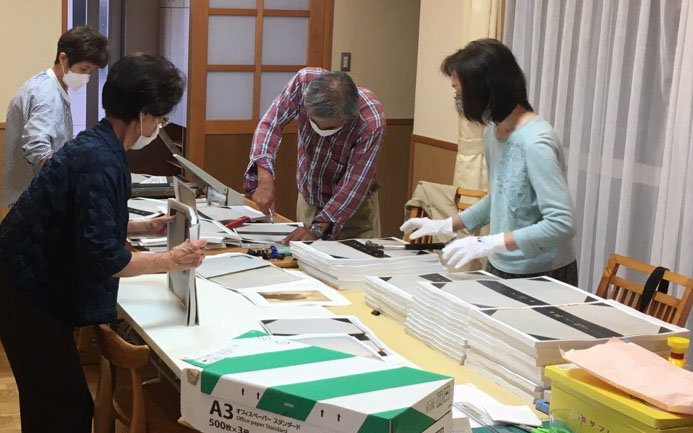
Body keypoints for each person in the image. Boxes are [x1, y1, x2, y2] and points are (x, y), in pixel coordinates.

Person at [0, 54, 207, 433]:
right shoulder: (102, 159)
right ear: (145, 114)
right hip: (26, 294)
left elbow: (91, 222)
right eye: (161, 116)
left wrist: (145, 229)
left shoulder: (98, 145)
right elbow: (104, 258)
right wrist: (171, 260)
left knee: (59, 409)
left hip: (24, 284)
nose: (160, 126)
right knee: (61, 412)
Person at [401, 39, 577, 285]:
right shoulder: (493, 133)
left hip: (542, 272)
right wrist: (446, 225)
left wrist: (490, 242)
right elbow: (500, 198)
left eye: (459, 93)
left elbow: (561, 224)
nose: (458, 100)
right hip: (501, 262)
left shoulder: (536, 142)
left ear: (485, 90)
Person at [245, 68, 386, 243]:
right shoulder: (304, 82)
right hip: (309, 198)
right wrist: (264, 178)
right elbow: (270, 124)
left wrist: (316, 229)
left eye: (330, 128)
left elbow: (354, 183)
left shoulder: (370, 120)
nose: (321, 131)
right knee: (302, 254)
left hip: (352, 210)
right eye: (314, 122)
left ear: (348, 117)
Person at [1, 25, 109, 207]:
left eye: (91, 71)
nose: (87, 77)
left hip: (29, 199)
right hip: (35, 202)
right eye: (84, 69)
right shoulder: (47, 95)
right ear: (63, 59)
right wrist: (68, 179)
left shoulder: (43, 84)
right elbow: (37, 147)